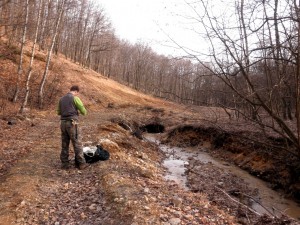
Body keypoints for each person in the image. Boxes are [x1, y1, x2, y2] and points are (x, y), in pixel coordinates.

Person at [57, 85, 89, 170]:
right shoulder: (75, 98)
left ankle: (64, 164)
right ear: (76, 91)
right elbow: (84, 112)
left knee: (65, 144)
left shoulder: (61, 99)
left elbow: (58, 112)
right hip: (72, 123)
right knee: (77, 143)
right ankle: (81, 164)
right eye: (77, 93)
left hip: (63, 123)